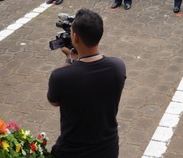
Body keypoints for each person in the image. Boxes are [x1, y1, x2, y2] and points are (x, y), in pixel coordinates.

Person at [47, 9, 126, 158]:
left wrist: (70, 59)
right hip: (107, 149)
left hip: (72, 152)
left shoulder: (60, 76)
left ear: (75, 37)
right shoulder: (118, 67)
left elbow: (54, 101)